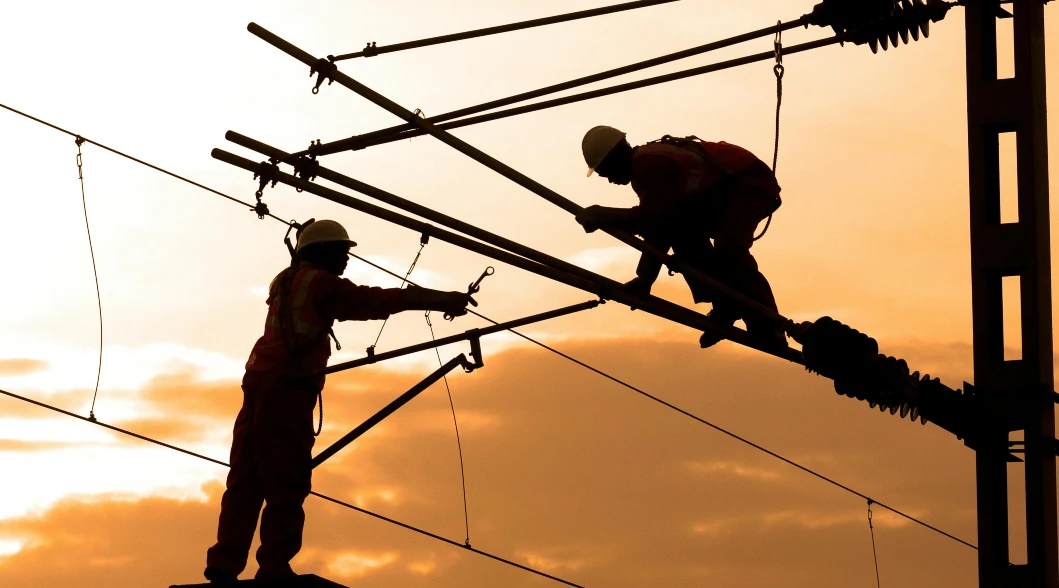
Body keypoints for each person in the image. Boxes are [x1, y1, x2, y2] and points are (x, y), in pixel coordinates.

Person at [204, 220, 474, 583]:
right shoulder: (320, 283)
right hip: (288, 389)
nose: (346, 260)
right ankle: (273, 568)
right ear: (320, 252)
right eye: (340, 251)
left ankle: (223, 564)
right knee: (287, 481)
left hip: (258, 386)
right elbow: (371, 300)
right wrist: (437, 298)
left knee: (246, 479)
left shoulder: (285, 282)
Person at [575, 126, 785, 349]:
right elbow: (663, 226)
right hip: (721, 194)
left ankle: (768, 326)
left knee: (729, 250)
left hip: (747, 184)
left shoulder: (650, 164)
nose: (609, 180)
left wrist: (603, 215)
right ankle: (725, 304)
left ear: (614, 158)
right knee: (684, 237)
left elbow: (652, 220)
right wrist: (645, 279)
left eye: (605, 172)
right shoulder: (645, 169)